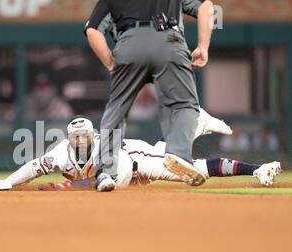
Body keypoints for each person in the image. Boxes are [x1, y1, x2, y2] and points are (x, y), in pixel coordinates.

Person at [85, 0, 215, 191]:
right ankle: (178, 153)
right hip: (169, 41)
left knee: (116, 110)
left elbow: (93, 31)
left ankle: (105, 173)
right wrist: (203, 46)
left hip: (129, 43)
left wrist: (110, 63)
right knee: (185, 105)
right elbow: (207, 7)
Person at [5, 116, 281, 190]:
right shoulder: (60, 154)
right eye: (75, 138)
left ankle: (256, 169)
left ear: (94, 136)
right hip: (132, 167)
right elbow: (33, 167)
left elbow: (119, 178)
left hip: (137, 160)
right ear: (68, 139)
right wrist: (7, 183)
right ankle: (194, 123)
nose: (80, 142)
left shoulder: (105, 149)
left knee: (192, 170)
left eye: (84, 137)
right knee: (169, 150)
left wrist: (69, 186)